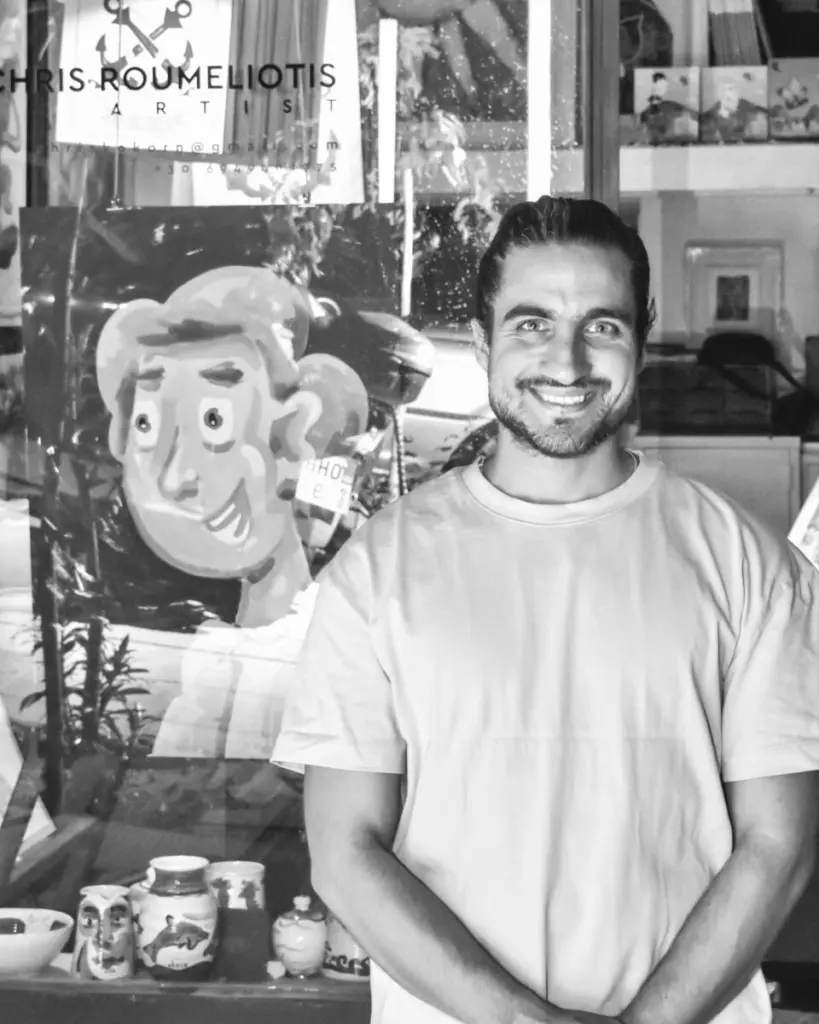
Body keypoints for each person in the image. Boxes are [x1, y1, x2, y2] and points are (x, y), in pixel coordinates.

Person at [272, 196, 819, 1024]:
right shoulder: (379, 569)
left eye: (601, 325)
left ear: (640, 337)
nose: (566, 362)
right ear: (483, 340)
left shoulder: (748, 565)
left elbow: (776, 848)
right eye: (531, 324)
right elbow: (345, 852)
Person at [95, 265, 368, 758]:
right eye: (147, 423)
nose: (175, 478)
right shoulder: (217, 654)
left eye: (214, 420)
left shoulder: (316, 659)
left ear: (291, 435)